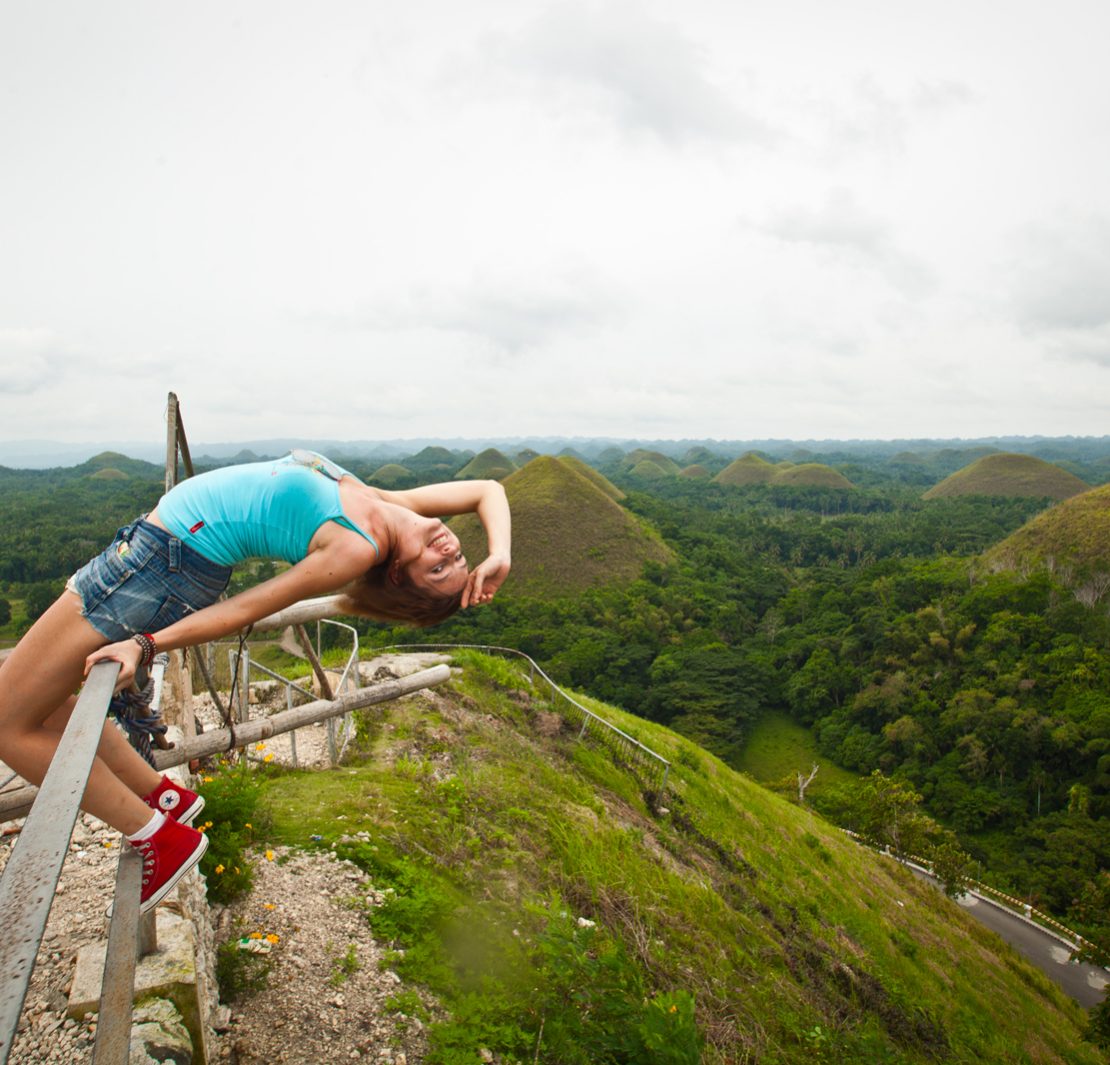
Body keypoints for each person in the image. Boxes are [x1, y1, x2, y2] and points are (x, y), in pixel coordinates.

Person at [0, 451, 511, 913]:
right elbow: (489, 488)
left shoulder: (356, 549)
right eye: (456, 560)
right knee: (39, 707)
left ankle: (155, 837)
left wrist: (146, 645)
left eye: (438, 568)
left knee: (5, 724)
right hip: (154, 557)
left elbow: (246, 608)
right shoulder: (383, 501)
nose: (448, 549)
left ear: (398, 574)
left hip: (156, 572)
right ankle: (161, 798)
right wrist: (499, 556)